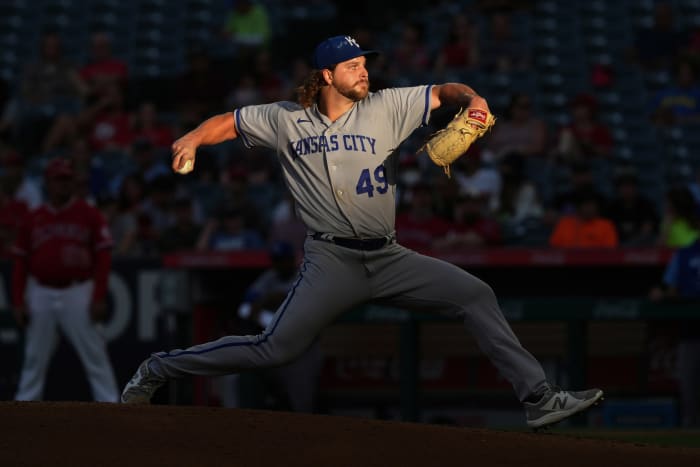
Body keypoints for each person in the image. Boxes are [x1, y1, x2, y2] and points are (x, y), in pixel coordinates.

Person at [121, 35, 603, 429]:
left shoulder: (387, 106)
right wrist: (192, 138)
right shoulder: (287, 119)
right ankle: (158, 368)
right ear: (327, 76)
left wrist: (474, 101)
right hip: (332, 261)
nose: (363, 71)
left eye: (364, 63)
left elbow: (445, 91)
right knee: (276, 348)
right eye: (352, 65)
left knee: (475, 294)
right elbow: (229, 122)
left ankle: (538, 398)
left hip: (390, 258)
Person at [11, 157, 119, 402]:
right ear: (47, 183)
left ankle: (111, 404)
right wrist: (18, 301)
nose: (63, 185)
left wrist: (98, 295)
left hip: (78, 291)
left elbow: (103, 258)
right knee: (34, 357)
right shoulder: (33, 217)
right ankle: (24, 406)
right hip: (40, 291)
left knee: (95, 354)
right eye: (58, 180)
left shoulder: (88, 214)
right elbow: (20, 263)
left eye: (67, 180)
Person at [225, 241, 323, 413]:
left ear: (292, 260)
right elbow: (248, 300)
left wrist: (265, 301)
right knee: (248, 377)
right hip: (277, 345)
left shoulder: (305, 273)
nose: (280, 264)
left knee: (301, 403)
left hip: (303, 349)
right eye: (277, 260)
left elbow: (290, 297)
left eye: (284, 260)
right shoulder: (270, 276)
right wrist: (257, 304)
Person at [648, 237, 700, 427]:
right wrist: (662, 294)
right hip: (690, 334)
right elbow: (671, 287)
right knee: (689, 392)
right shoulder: (684, 254)